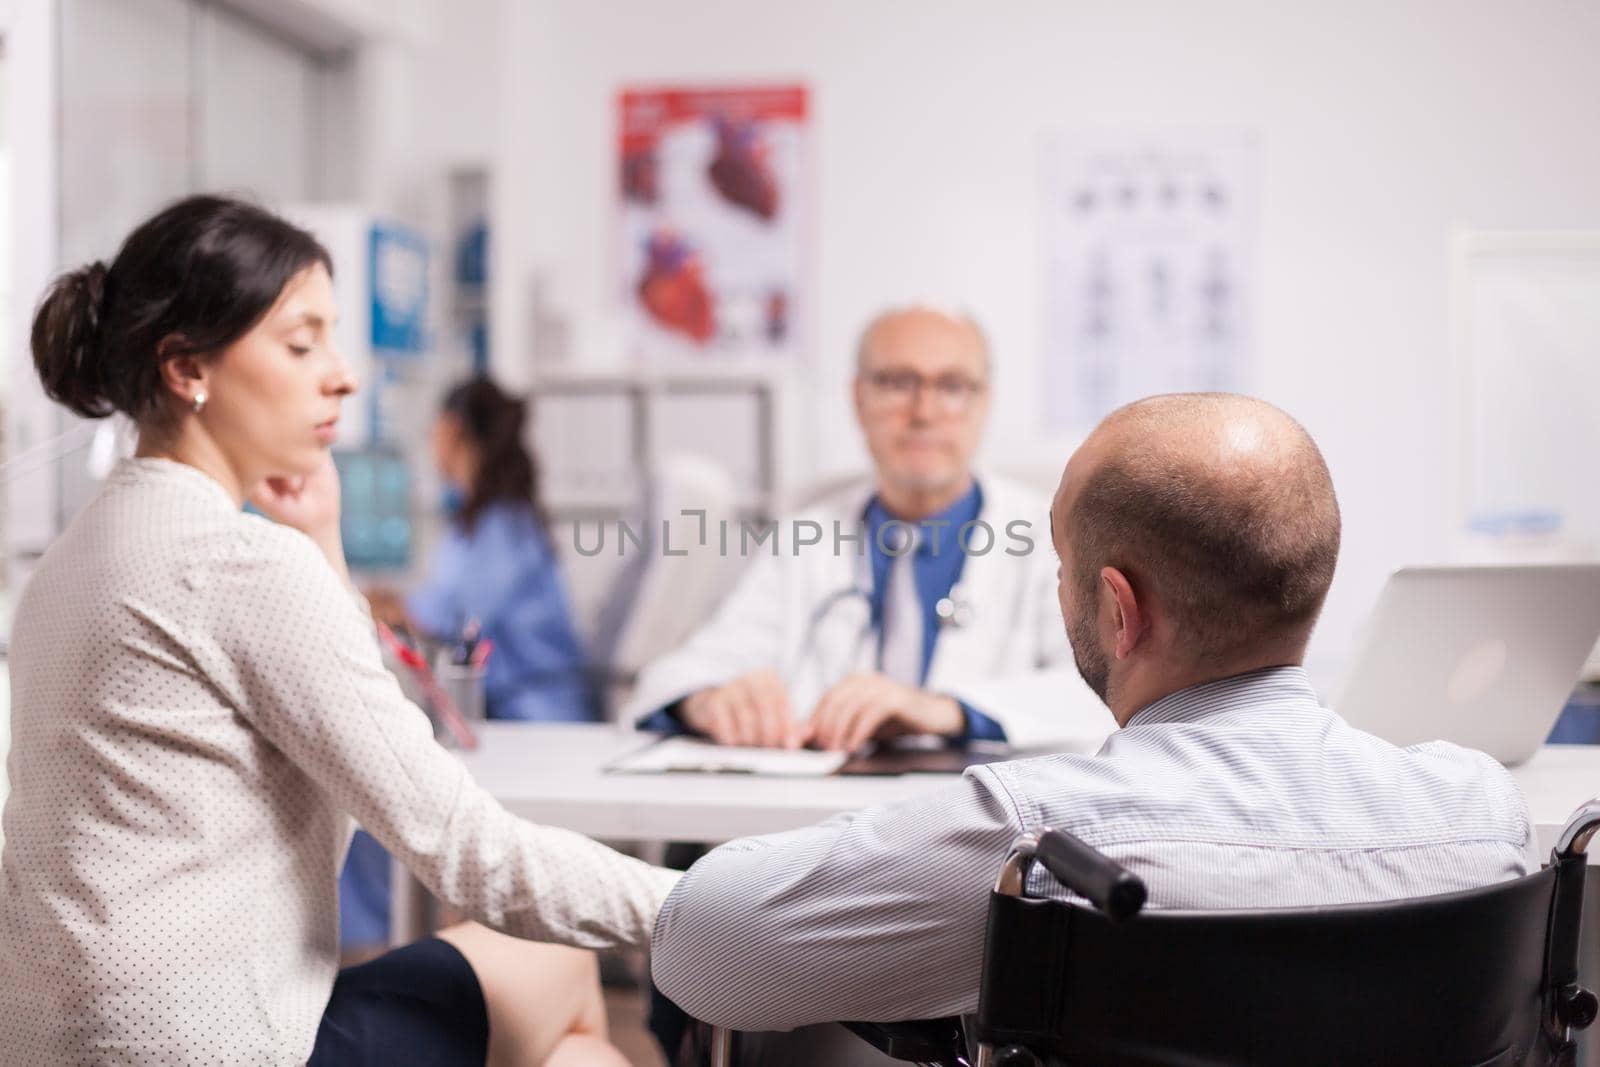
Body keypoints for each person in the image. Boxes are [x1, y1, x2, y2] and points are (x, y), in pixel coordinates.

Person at [0, 194, 677, 1065]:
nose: (343, 374)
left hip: (53, 1042)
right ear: (185, 367)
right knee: (564, 977)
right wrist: (714, 904)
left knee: (576, 1046)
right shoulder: (237, 562)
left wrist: (320, 538)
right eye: (301, 342)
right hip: (208, 1044)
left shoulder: (73, 552)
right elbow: (469, 851)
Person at [650, 392, 1533, 1035]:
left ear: (1118, 608)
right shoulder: (1478, 807)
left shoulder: (1035, 846)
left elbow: (703, 954)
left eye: (1064, 561)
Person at [624, 306, 1106, 751]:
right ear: (858, 399)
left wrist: (946, 710)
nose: (923, 412)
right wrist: (707, 700)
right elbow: (676, 675)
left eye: (953, 386)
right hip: (820, 821)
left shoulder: (1052, 538)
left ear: (984, 403)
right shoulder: (804, 538)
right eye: (898, 383)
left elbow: (1104, 692)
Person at [367, 377, 595, 724]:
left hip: (535, 715)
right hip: (509, 709)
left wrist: (370, 603)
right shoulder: (482, 518)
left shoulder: (502, 526)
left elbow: (446, 620)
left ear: (450, 429)